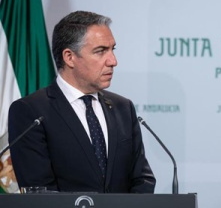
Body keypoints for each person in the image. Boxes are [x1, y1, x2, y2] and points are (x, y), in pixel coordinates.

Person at [8, 11, 156, 193]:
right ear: (69, 57)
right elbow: (40, 191)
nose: (113, 61)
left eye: (112, 50)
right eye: (100, 51)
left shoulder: (122, 107)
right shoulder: (31, 111)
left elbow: (142, 179)